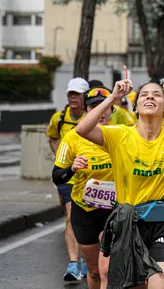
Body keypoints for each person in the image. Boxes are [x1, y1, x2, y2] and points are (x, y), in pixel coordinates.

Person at [76, 66, 164, 288]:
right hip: (128, 224)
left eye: (157, 95)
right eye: (144, 94)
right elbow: (83, 129)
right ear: (135, 106)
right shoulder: (119, 135)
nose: (150, 97)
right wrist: (113, 97)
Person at [52, 86, 114, 288]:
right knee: (95, 271)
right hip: (84, 209)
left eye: (104, 106)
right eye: (94, 106)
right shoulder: (72, 137)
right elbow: (57, 177)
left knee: (107, 268)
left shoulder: (121, 134)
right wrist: (72, 168)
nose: (101, 111)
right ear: (87, 110)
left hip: (113, 210)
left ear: (111, 109)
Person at [46, 77, 89, 281]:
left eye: (77, 94)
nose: (73, 98)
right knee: (71, 216)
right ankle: (73, 264)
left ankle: (90, 262)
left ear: (84, 97)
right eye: (70, 94)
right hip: (68, 175)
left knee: (89, 219)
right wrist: (60, 158)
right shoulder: (59, 117)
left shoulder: (93, 117)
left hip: (91, 176)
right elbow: (52, 137)